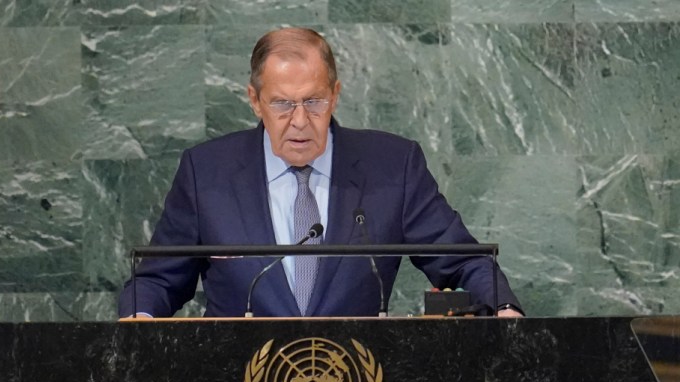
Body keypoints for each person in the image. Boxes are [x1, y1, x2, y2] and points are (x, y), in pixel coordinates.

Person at [118, 27, 524, 318]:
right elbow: (158, 280)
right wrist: (139, 318)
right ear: (254, 101)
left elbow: (464, 260)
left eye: (313, 102)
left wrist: (503, 308)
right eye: (282, 104)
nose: (299, 121)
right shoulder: (206, 172)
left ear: (335, 95)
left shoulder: (392, 166)